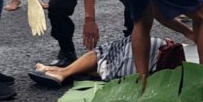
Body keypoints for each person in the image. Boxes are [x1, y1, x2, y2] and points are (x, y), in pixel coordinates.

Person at [29, 35, 175, 88]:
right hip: (166, 64)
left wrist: (90, 18)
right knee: (105, 64)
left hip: (158, 56)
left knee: (106, 52)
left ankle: (62, 72)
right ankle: (59, 71)